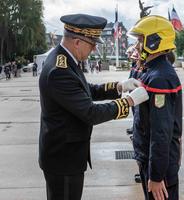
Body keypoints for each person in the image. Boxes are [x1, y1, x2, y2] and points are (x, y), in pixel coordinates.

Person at [38, 14, 149, 200]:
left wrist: (119, 86)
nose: (95, 48)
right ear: (77, 42)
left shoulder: (67, 60)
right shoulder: (59, 70)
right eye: (92, 43)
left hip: (65, 154)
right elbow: (90, 113)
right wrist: (128, 102)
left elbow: (86, 90)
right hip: (63, 159)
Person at [128, 15, 183, 200]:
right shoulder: (153, 72)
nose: (136, 46)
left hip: (158, 167)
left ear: (154, 41)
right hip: (149, 160)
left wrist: (157, 176)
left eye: (140, 40)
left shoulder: (159, 77)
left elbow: (161, 132)